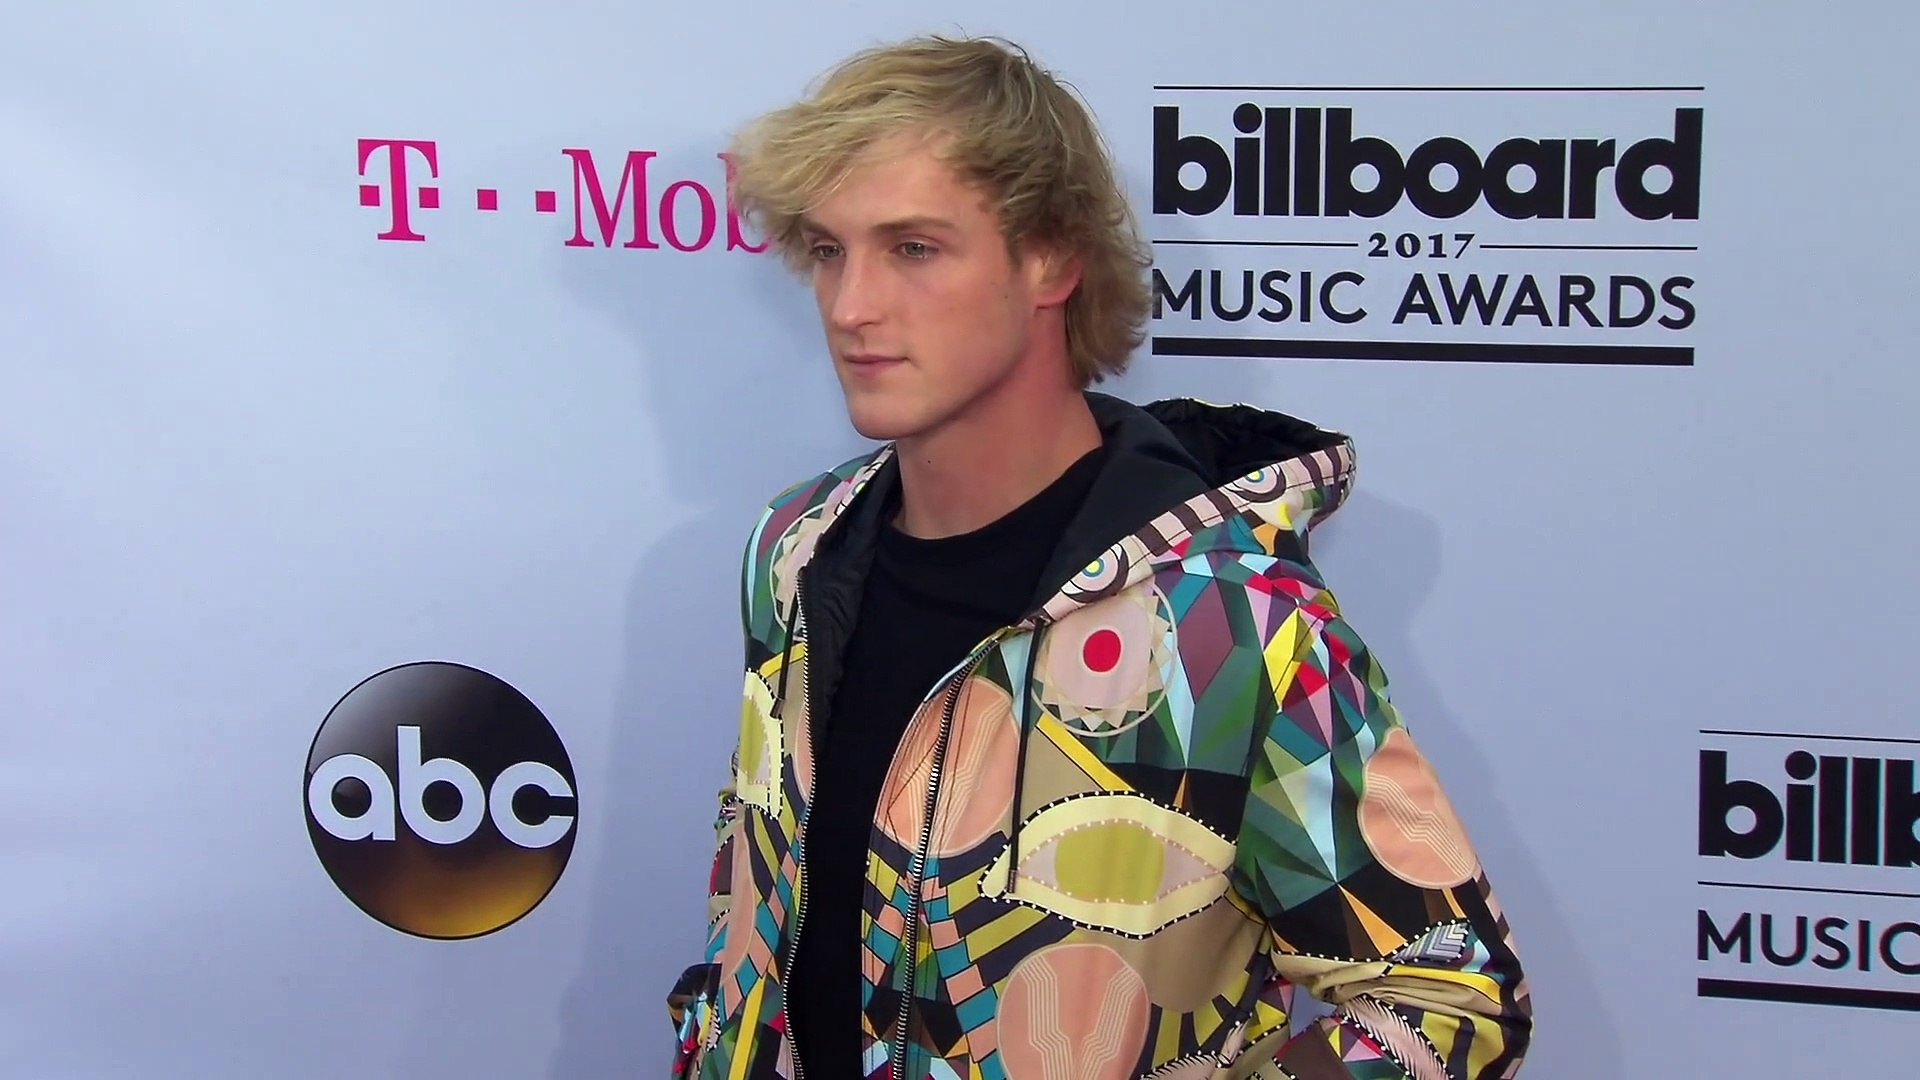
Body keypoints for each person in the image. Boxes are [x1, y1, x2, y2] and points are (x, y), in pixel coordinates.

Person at [667, 33, 1532, 1080]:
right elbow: (759, 907)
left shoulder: (1229, 620)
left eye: (914, 249)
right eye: (828, 251)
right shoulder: (794, 552)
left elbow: (1449, 998)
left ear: (1051, 260)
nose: (850, 307)